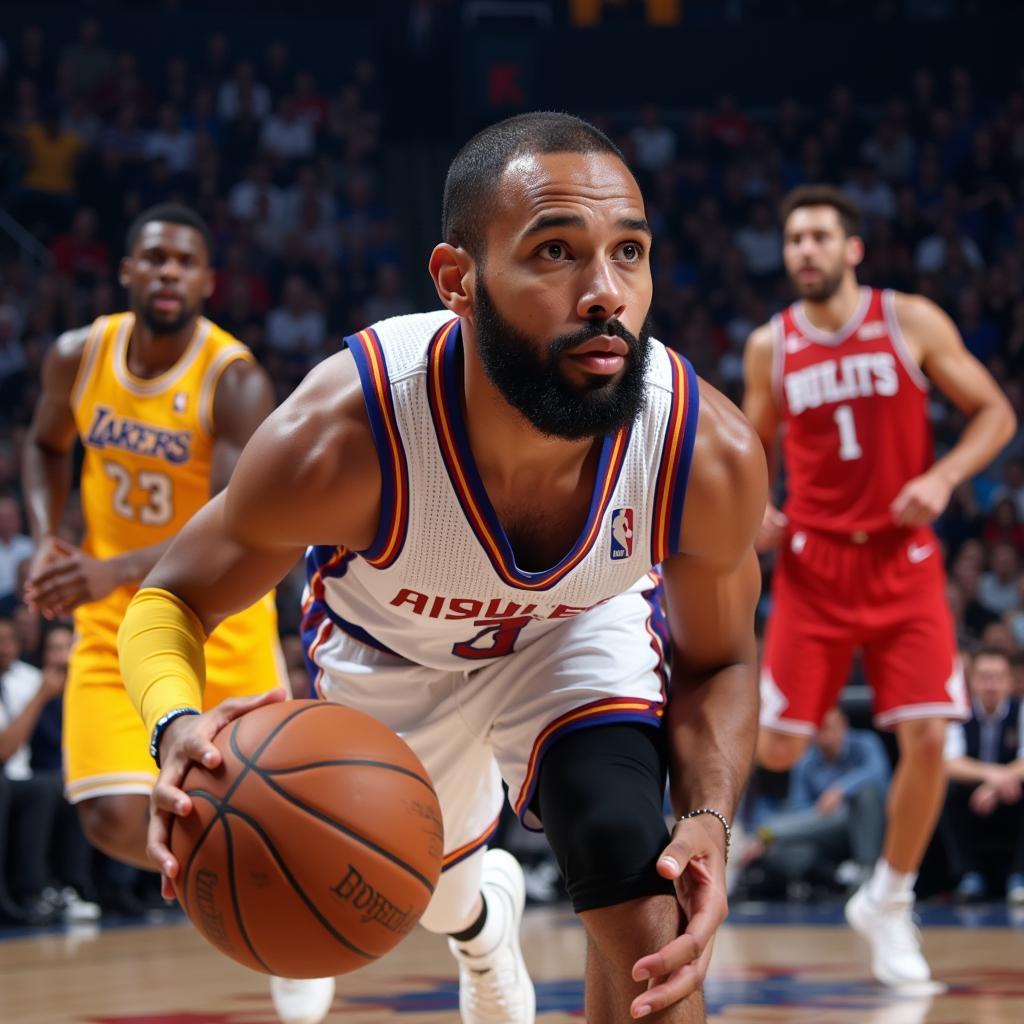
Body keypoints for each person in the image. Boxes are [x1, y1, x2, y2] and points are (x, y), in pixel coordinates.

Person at [117, 112, 767, 1024]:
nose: (605, 294)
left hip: (576, 633)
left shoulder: (704, 454)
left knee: (636, 875)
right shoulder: (343, 436)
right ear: (458, 281)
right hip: (394, 654)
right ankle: (480, 926)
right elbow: (171, 599)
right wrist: (173, 723)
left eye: (630, 252)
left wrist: (706, 817)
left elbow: (722, 660)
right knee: (428, 890)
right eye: (555, 253)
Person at [20, 205, 322, 1023]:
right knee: (113, 817)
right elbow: (46, 448)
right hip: (107, 622)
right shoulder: (77, 357)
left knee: (262, 812)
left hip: (214, 620)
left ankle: (285, 928)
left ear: (206, 281)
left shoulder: (234, 379)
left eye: (184, 262)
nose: (167, 274)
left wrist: (106, 567)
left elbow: (236, 521)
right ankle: (256, 904)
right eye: (153, 259)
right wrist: (52, 541)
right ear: (126, 271)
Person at [742, 184, 1016, 992]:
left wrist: (944, 475)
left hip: (904, 557)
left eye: (821, 236)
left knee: (930, 735)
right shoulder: (772, 345)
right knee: (781, 746)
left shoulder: (911, 320)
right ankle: (715, 836)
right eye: (794, 239)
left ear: (853, 248)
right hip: (815, 565)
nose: (806, 251)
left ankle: (889, 898)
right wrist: (759, 508)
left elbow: (996, 412)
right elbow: (749, 446)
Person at [747, 707, 890, 896]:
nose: (823, 735)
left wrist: (841, 790)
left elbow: (878, 775)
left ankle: (765, 832)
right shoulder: (806, 759)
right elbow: (801, 811)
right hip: (823, 831)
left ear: (843, 725)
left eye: (828, 727)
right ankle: (838, 876)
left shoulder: (865, 743)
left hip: (867, 826)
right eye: (818, 728)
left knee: (864, 796)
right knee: (779, 852)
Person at [942, 647, 1024, 904]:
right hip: (970, 797)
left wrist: (997, 784)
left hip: (1013, 796)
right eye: (985, 677)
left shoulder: (1021, 710)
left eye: (998, 677)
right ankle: (969, 875)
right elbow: (949, 763)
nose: (991, 684)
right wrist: (994, 776)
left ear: (1010, 681)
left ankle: (1019, 877)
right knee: (945, 790)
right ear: (971, 681)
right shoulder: (957, 713)